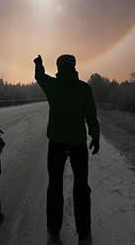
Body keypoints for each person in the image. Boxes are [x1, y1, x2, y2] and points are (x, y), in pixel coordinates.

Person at [34, 54, 99, 245]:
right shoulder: (84, 88)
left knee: (55, 186)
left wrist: (38, 64)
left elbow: (40, 77)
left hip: (56, 144)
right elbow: (91, 116)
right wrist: (95, 135)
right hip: (78, 144)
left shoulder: (53, 86)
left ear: (59, 67)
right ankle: (84, 233)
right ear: (74, 66)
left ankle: (54, 232)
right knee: (81, 187)